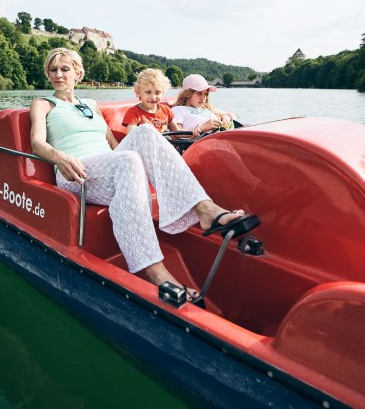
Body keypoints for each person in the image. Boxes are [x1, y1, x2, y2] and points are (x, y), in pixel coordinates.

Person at [29, 48, 255, 295]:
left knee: (144, 132)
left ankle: (204, 209)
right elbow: (37, 143)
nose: (58, 74)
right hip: (75, 171)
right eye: (53, 69)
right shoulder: (43, 104)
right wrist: (60, 158)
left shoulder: (91, 104)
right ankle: (153, 270)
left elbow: (112, 144)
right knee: (127, 160)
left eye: (65, 69)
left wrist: (130, 152)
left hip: (107, 162)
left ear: (78, 73)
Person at [172, 74, 235, 138]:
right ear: (188, 93)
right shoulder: (178, 110)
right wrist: (202, 128)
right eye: (199, 93)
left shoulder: (207, 109)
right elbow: (177, 133)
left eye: (205, 94)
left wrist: (225, 117)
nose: (203, 98)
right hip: (203, 141)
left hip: (222, 136)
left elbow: (232, 115)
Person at [121, 68, 180, 134]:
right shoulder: (133, 113)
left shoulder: (166, 110)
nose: (153, 97)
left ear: (163, 92)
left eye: (157, 93)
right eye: (148, 92)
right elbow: (131, 137)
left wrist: (192, 133)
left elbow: (177, 134)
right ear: (138, 92)